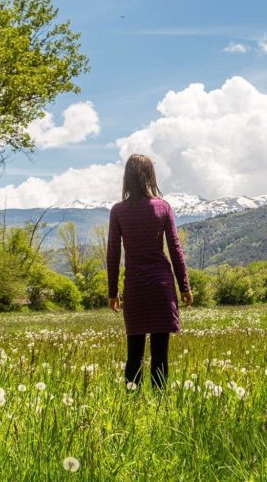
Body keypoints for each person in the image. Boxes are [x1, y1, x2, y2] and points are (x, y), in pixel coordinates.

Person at [107, 153, 194, 390]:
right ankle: (159, 405)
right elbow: (175, 249)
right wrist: (184, 286)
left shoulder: (118, 211)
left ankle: (132, 403)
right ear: (150, 176)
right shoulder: (163, 207)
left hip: (135, 286)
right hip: (161, 286)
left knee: (134, 352)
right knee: (160, 354)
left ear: (127, 177)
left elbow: (113, 254)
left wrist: (113, 292)